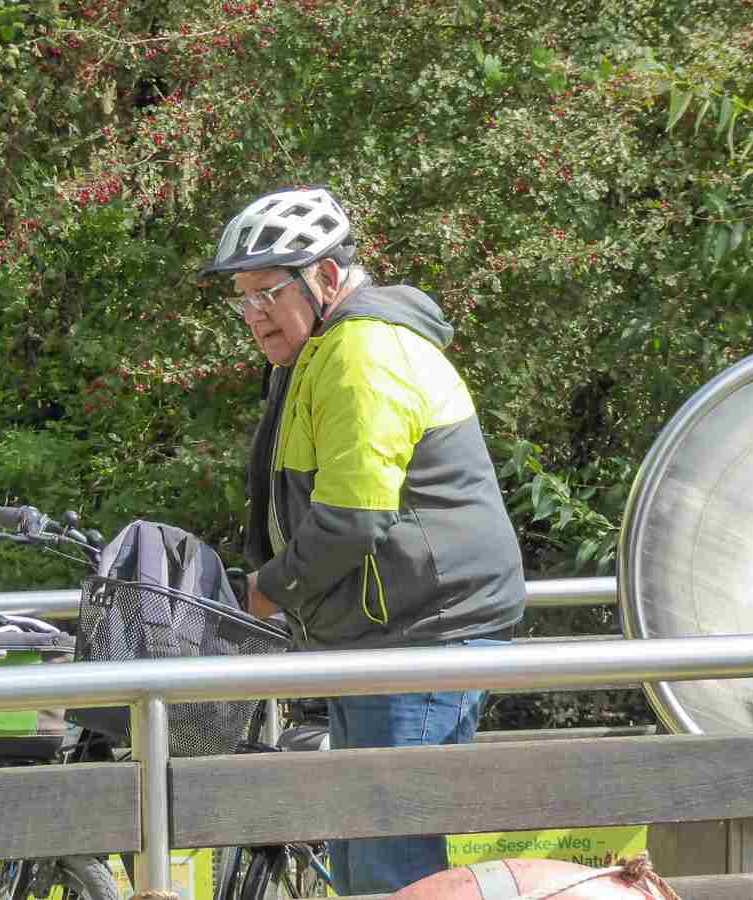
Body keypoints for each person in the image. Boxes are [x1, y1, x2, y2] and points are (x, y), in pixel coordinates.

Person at [199, 186, 527, 893]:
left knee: (390, 870)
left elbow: (351, 519)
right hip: (380, 634)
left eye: (267, 293)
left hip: (422, 637)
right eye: (242, 299)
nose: (253, 314)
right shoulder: (320, 351)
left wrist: (265, 593)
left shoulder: (363, 351)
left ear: (324, 275)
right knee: (361, 863)